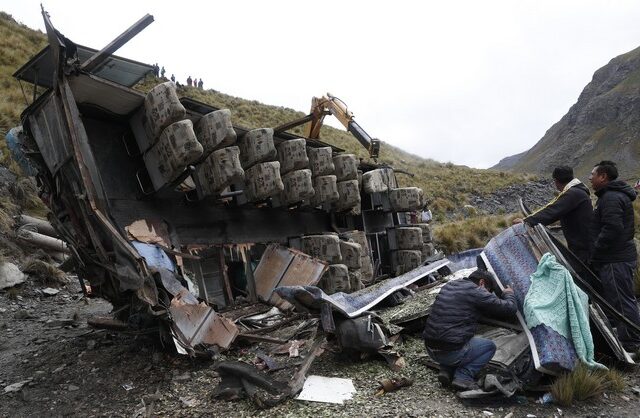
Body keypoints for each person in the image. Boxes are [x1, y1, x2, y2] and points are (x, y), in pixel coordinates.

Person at [422, 270, 517, 390]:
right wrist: (509, 294)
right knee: (489, 346)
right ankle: (463, 377)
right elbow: (509, 308)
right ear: (482, 283)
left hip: (430, 349)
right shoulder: (477, 292)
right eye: (489, 291)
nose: (488, 294)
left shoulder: (450, 285)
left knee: (456, 333)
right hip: (451, 353)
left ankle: (446, 371)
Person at [589, 160, 640, 352]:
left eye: (593, 174)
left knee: (621, 300)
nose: (590, 178)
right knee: (622, 298)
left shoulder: (610, 197)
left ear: (603, 176)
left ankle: (632, 343)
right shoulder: (611, 196)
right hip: (617, 256)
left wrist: (597, 249)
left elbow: (612, 227)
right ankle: (629, 336)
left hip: (615, 258)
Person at [513, 166, 593, 265]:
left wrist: (526, 221)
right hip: (584, 245)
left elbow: (552, 210)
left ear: (556, 181)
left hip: (585, 248)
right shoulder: (577, 192)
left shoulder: (573, 193)